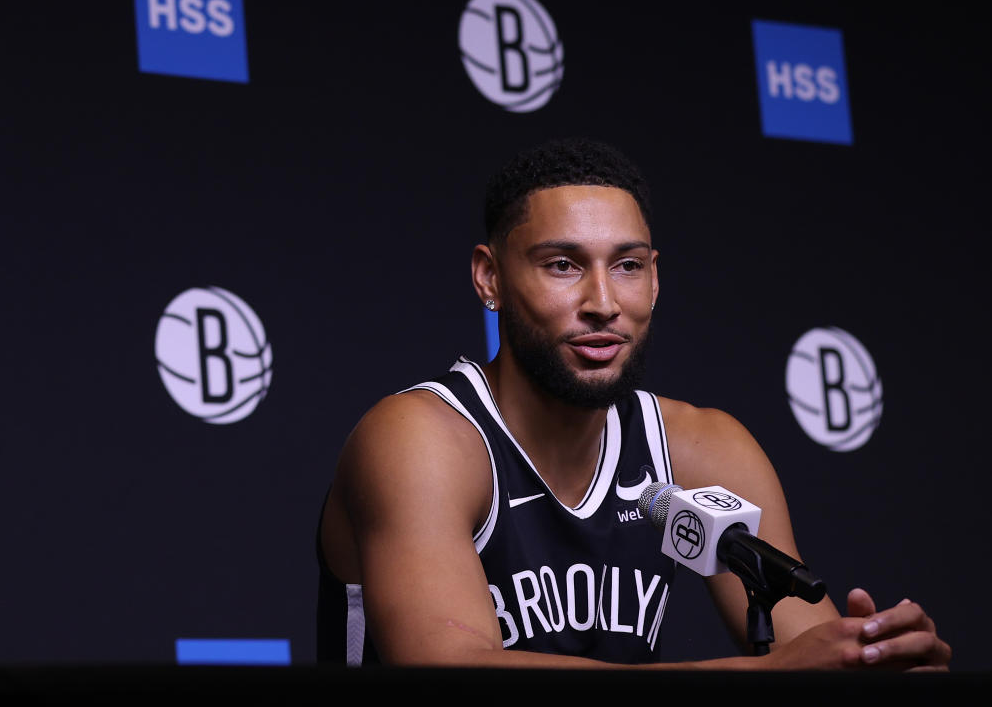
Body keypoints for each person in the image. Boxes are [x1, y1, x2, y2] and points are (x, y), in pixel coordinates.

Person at [315, 137, 950, 671]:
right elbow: (450, 668)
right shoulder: (421, 438)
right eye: (562, 265)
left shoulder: (701, 447)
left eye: (627, 265)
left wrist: (873, 658)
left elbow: (805, 653)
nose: (602, 302)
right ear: (491, 278)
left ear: (655, 278)